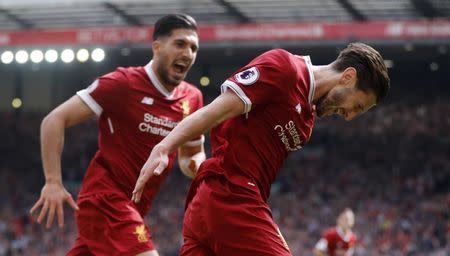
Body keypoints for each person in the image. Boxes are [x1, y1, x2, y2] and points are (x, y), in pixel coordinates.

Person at [132, 42, 390, 255]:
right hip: (229, 194)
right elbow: (215, 111)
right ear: (348, 77)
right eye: (357, 105)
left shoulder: (307, 121)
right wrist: (164, 147)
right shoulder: (285, 69)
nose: (350, 116)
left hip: (218, 205)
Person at [29, 13, 205, 256]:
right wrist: (52, 182)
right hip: (105, 199)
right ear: (156, 47)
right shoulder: (122, 83)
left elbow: (191, 154)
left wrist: (196, 166)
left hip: (135, 206)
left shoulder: (192, 98)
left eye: (194, 48)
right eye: (180, 44)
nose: (188, 53)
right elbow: (54, 120)